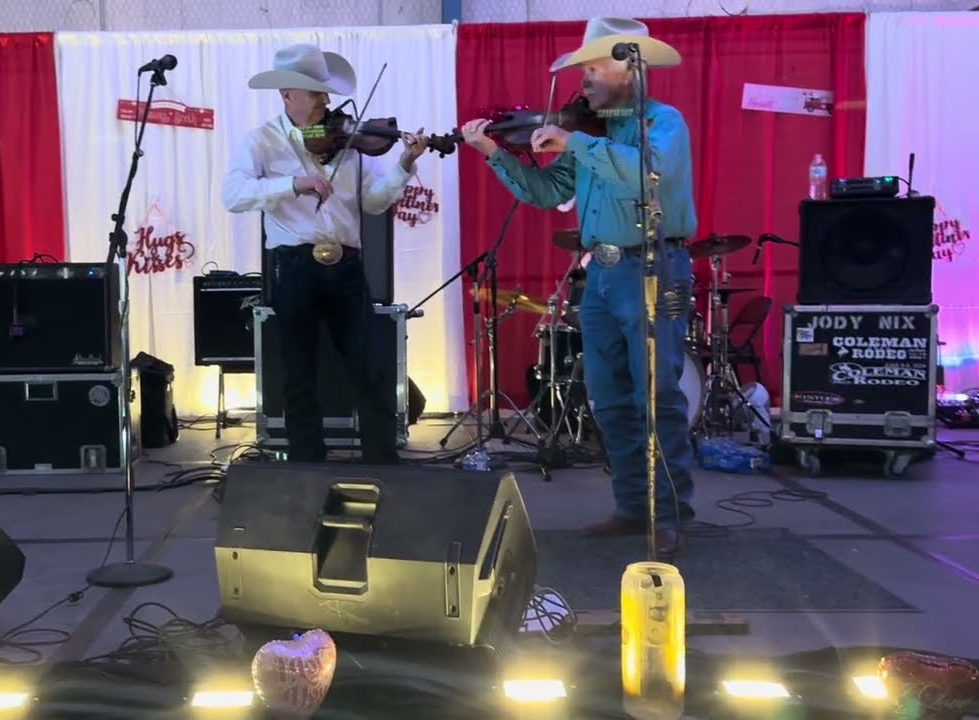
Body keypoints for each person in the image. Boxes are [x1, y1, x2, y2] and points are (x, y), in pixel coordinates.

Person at [459, 19, 697, 558]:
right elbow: (547, 193)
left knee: (656, 396)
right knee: (610, 399)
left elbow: (645, 174)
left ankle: (672, 513)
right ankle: (634, 506)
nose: (584, 79)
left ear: (628, 68)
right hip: (603, 274)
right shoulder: (587, 132)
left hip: (656, 269)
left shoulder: (664, 123)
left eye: (594, 68)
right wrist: (496, 155)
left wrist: (576, 140)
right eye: (583, 69)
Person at [221, 44, 429, 464]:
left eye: (324, 92)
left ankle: (382, 461)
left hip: (347, 267)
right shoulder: (260, 141)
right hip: (294, 267)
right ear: (287, 94)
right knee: (298, 373)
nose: (326, 101)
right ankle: (306, 464)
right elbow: (233, 195)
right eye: (315, 93)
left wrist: (405, 163)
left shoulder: (348, 141)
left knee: (370, 366)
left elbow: (372, 202)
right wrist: (291, 185)